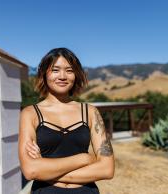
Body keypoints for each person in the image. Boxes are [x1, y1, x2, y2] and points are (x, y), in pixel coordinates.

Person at [18, 48, 115, 194]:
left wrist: (46, 172)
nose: (62, 76)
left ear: (76, 75)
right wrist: (83, 158)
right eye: (55, 70)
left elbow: (107, 169)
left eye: (69, 71)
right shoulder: (30, 113)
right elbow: (31, 171)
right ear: (44, 74)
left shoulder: (90, 111)